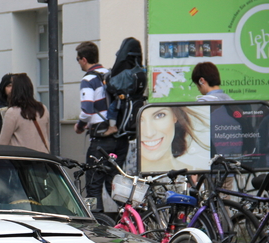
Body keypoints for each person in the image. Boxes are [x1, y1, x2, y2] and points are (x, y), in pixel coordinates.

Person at [74, 41, 129, 211]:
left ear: (84, 59)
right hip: (120, 139)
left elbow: (87, 110)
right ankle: (135, 215)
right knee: (114, 183)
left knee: (93, 185)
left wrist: (80, 126)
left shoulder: (89, 79)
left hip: (101, 141)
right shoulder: (112, 74)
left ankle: (97, 226)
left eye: (78, 59)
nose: (78, 63)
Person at [139, 105, 210, 172]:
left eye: (159, 115)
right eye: (138, 119)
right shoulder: (127, 181)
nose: (149, 133)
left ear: (174, 116)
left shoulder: (201, 178)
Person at [0, 73, 50, 153]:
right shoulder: (43, 108)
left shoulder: (12, 112)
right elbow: (47, 134)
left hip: (23, 160)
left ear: (15, 90)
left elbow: (2, 143)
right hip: (42, 158)